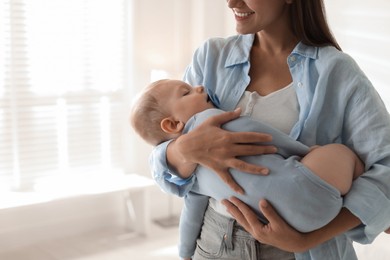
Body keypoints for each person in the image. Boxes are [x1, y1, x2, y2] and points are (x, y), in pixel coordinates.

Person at [150, 0, 390, 259]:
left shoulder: (336, 72)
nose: (231, 2)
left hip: (303, 250)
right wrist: (182, 150)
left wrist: (306, 239)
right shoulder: (211, 58)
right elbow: (164, 149)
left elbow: (386, 173)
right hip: (214, 244)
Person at [130, 79, 364, 259]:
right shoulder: (209, 120)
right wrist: (305, 152)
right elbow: (264, 138)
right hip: (312, 192)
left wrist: (185, 251)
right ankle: (356, 172)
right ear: (172, 124)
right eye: (187, 92)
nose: (200, 86)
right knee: (341, 152)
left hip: (300, 223)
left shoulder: (192, 177)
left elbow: (191, 215)